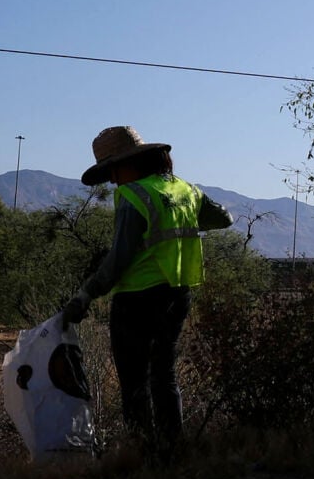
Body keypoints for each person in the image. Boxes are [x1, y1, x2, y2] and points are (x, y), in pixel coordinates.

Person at [60, 126, 233, 457]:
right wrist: (181, 219)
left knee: (134, 381)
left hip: (137, 299)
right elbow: (224, 218)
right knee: (164, 375)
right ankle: (173, 450)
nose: (113, 180)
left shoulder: (133, 195)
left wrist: (85, 296)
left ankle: (142, 453)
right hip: (177, 295)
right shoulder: (186, 190)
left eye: (112, 170)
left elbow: (119, 259)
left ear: (129, 163)